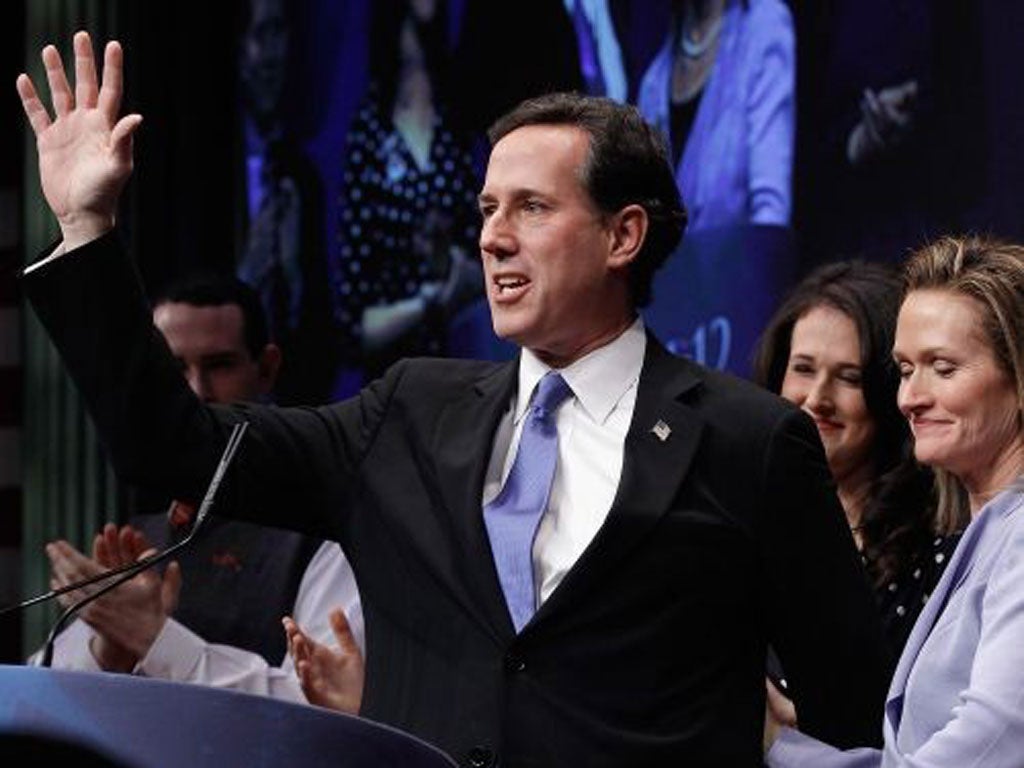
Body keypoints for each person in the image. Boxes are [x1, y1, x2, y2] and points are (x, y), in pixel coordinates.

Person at [18, 33, 888, 766]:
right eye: (486, 208)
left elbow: (851, 702)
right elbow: (174, 449)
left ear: (624, 235)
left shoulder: (749, 440)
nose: (492, 236)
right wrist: (88, 232)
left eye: (531, 208)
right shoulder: (406, 411)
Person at [38, 272, 364, 706]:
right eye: (173, 370)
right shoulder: (144, 535)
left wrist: (156, 639)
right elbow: (42, 693)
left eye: (219, 366)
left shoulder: (325, 534)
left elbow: (327, 707)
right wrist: (111, 650)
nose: (195, 391)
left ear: (267, 369)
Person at [765, 235, 1024, 765]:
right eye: (905, 370)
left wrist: (779, 746)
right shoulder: (990, 534)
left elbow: (987, 749)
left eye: (943, 368)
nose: (910, 397)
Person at [754, 262, 965, 657]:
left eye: (849, 377)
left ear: (892, 392)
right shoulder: (741, 511)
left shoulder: (934, 545)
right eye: (803, 369)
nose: (817, 398)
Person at [330, 0, 484, 387]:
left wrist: (467, 279)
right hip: (393, 376)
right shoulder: (369, 132)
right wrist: (430, 305)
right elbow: (353, 322)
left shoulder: (458, 121)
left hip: (467, 362)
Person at [636, 0, 795, 232]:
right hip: (672, 266)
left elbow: (770, 211)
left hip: (739, 264)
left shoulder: (762, 26)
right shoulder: (654, 81)